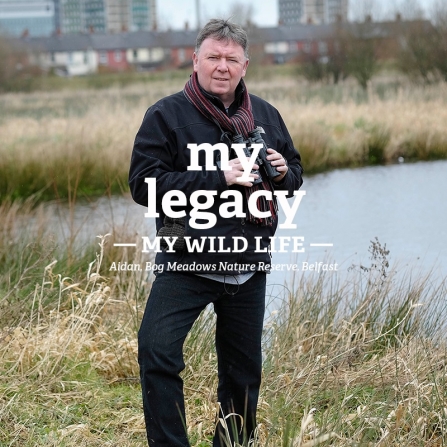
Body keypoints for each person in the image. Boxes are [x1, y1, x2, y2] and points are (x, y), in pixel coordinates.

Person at [129, 18, 304, 447]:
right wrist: (217, 177)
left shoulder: (265, 114)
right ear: (195, 61)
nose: (221, 66)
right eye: (212, 57)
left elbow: (295, 174)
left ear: (245, 65)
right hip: (185, 258)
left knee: (242, 375)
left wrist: (282, 173)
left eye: (231, 59)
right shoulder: (165, 115)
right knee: (157, 351)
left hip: (247, 263)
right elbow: (143, 185)